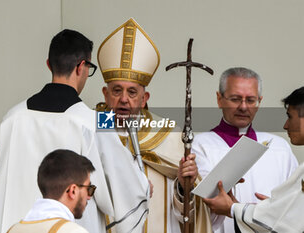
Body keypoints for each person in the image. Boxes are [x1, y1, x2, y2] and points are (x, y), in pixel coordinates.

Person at [0, 29, 149, 233]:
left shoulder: (11, 117)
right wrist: (142, 184)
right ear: (82, 67)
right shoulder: (98, 121)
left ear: (49, 64)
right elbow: (124, 186)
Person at [96, 18, 212, 233]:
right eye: (116, 90)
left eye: (132, 92)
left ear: (144, 98)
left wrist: (183, 185)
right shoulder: (91, 130)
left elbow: (187, 211)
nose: (124, 99)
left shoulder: (169, 134)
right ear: (105, 94)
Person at [191, 67, 298, 232]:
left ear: (259, 101)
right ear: (219, 99)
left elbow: (295, 208)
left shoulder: (279, 147)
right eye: (235, 99)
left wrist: (271, 210)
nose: (243, 107)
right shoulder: (200, 145)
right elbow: (198, 211)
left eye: (250, 100)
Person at [8, 149, 95, 233]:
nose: (89, 196)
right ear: (72, 191)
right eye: (89, 189)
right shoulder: (73, 231)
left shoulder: (13, 229)